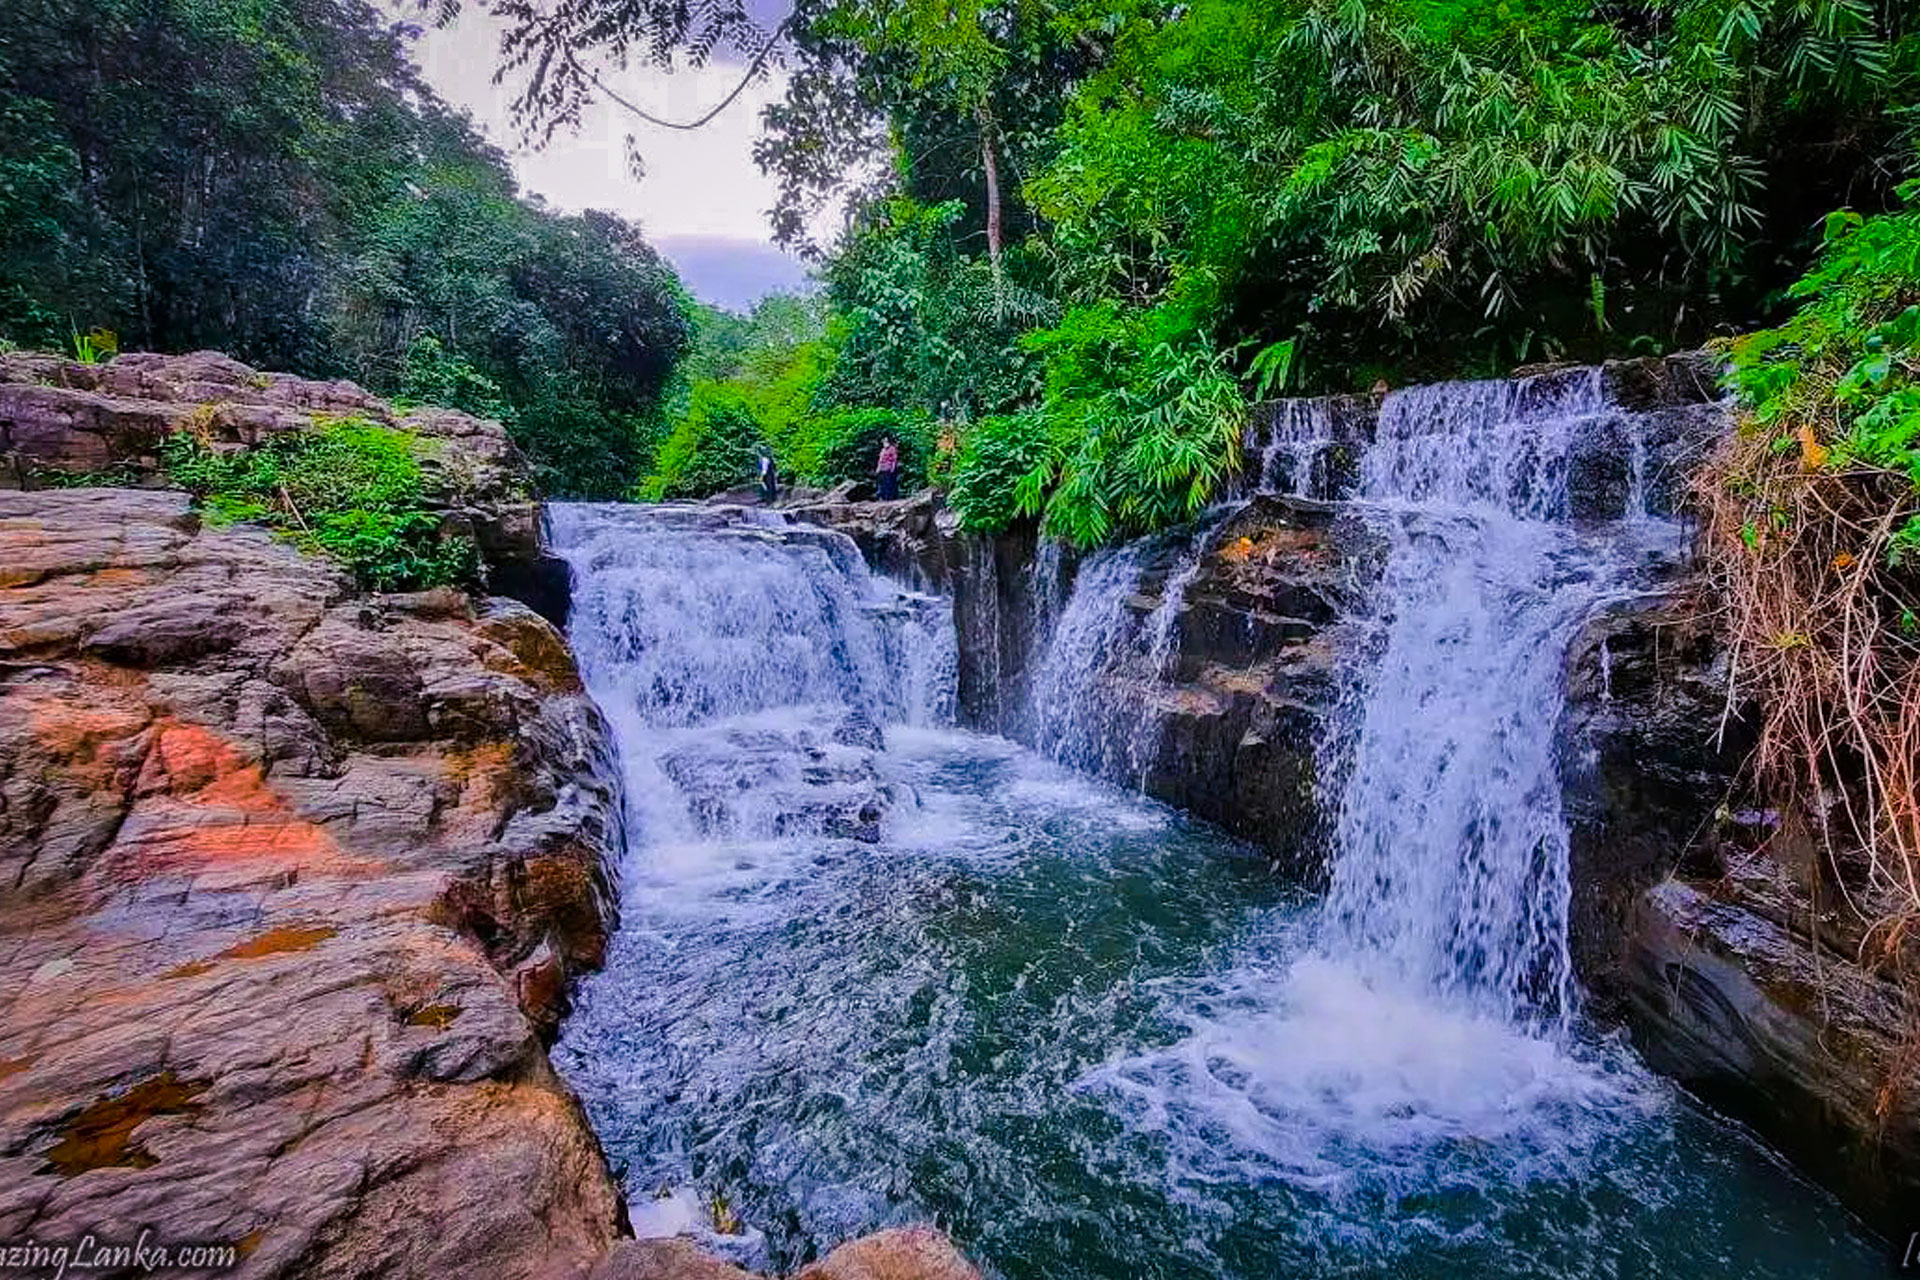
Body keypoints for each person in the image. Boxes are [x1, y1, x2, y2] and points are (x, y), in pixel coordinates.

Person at [875, 435, 900, 501]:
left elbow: (894, 460)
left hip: (888, 468)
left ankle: (889, 498)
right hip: (882, 469)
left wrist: (893, 468)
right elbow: (880, 460)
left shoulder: (892, 449)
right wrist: (878, 468)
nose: (885, 443)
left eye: (886, 441)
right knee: (881, 484)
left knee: (889, 484)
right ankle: (882, 497)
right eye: (884, 441)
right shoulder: (883, 450)